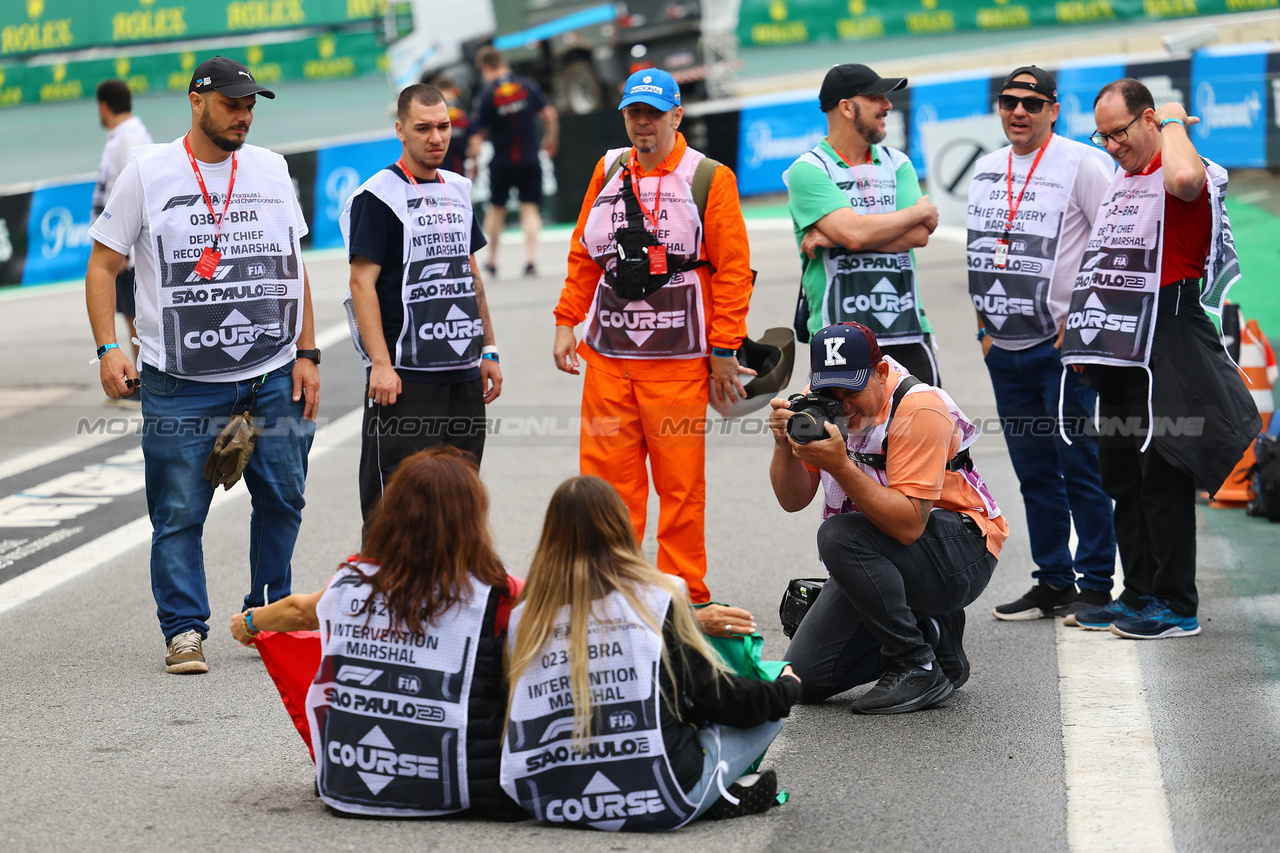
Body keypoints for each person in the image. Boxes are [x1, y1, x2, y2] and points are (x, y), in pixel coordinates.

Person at [85, 56, 319, 675]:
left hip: (270, 373)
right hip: (179, 382)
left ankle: (267, 613)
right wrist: (110, 347)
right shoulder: (147, 173)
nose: (244, 115)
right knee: (179, 508)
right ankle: (184, 630)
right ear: (197, 100)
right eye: (232, 105)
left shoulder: (271, 170)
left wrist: (308, 353)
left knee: (284, 496)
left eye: (250, 106)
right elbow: (103, 267)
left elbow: (291, 269)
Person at [551, 68, 755, 625]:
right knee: (605, 485)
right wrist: (567, 319)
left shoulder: (709, 177)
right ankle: (606, 587)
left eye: (654, 112)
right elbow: (584, 251)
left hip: (679, 363)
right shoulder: (608, 169)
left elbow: (734, 271)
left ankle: (686, 592)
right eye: (634, 112)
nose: (644, 122)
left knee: (680, 486)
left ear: (676, 116)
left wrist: (724, 349)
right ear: (624, 117)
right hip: (609, 360)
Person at [1060, 79, 1260, 639]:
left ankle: (1177, 605)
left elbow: (1186, 178)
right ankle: (1140, 592)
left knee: (1161, 474)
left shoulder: (1181, 173)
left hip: (1166, 336)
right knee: (1121, 475)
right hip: (1119, 348)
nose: (1111, 146)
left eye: (1119, 132)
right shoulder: (1124, 180)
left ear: (1149, 120)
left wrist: (1172, 119)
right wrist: (1086, 336)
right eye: (1101, 136)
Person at [230, 447, 526, 819]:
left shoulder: (351, 581)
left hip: (347, 785)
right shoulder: (497, 590)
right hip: (468, 790)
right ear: (471, 519)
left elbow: (299, 611)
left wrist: (251, 622)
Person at [501, 475, 801, 830]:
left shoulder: (526, 615)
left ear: (549, 536)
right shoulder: (656, 600)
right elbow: (715, 697)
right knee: (767, 692)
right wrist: (785, 688)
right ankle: (712, 792)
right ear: (622, 526)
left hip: (548, 801)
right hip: (662, 797)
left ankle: (716, 790)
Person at [770, 322, 1007, 714]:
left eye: (852, 389)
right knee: (803, 680)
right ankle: (933, 632)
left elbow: (909, 525)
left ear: (880, 373)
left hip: (960, 547)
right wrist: (784, 445)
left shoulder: (919, 407)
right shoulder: (818, 407)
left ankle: (917, 664)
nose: (842, 403)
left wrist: (842, 466)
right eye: (830, 391)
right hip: (880, 548)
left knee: (839, 536)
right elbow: (792, 500)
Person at [966, 66, 1118, 622]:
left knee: (1080, 464)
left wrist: (1082, 321)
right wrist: (984, 330)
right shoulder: (986, 168)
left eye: (1032, 102)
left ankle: (1097, 583)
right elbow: (983, 250)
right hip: (1002, 348)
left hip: (1061, 348)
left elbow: (1115, 241)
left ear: (1054, 109)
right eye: (1009, 101)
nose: (1019, 112)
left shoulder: (1083, 162)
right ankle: (1053, 580)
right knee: (1033, 472)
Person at [340, 83, 501, 522]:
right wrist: (380, 364)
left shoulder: (458, 189)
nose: (436, 137)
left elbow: (469, 274)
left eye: (444, 126)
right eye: (423, 128)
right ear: (400, 130)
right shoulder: (378, 196)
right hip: (405, 380)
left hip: (462, 375)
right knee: (395, 505)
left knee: (460, 500)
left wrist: (488, 348)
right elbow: (361, 284)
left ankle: (454, 589)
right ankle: (384, 591)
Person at [785, 63, 942, 385]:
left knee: (926, 431)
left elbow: (918, 236)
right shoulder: (809, 169)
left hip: (907, 327)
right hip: (837, 336)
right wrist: (917, 211)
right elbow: (856, 234)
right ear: (846, 107)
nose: (887, 105)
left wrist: (837, 236)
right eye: (875, 97)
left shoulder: (898, 162)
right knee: (845, 436)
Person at [470, 46, 558, 278]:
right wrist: (550, 138)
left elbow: (478, 136)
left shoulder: (486, 95)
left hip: (502, 162)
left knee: (496, 210)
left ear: (487, 68)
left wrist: (474, 162)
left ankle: (492, 261)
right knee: (529, 209)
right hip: (530, 158)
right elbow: (549, 114)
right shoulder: (528, 86)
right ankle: (531, 260)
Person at [92, 78, 153, 401]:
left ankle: (141, 378)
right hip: (121, 245)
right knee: (129, 314)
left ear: (104, 105)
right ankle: (137, 377)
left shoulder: (129, 137)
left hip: (125, 247)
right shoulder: (123, 136)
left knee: (134, 314)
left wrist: (124, 249)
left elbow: (132, 193)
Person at [432, 75, 474, 177]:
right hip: (459, 164)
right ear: (454, 90)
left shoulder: (433, 110)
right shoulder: (463, 109)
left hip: (438, 162)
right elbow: (474, 140)